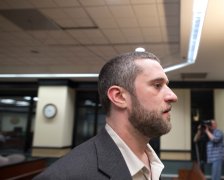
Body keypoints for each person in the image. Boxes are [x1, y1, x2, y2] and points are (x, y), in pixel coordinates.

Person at [34, 51, 178, 180]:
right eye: (157, 85)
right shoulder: (64, 176)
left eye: (167, 85)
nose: (172, 96)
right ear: (119, 97)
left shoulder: (153, 163)